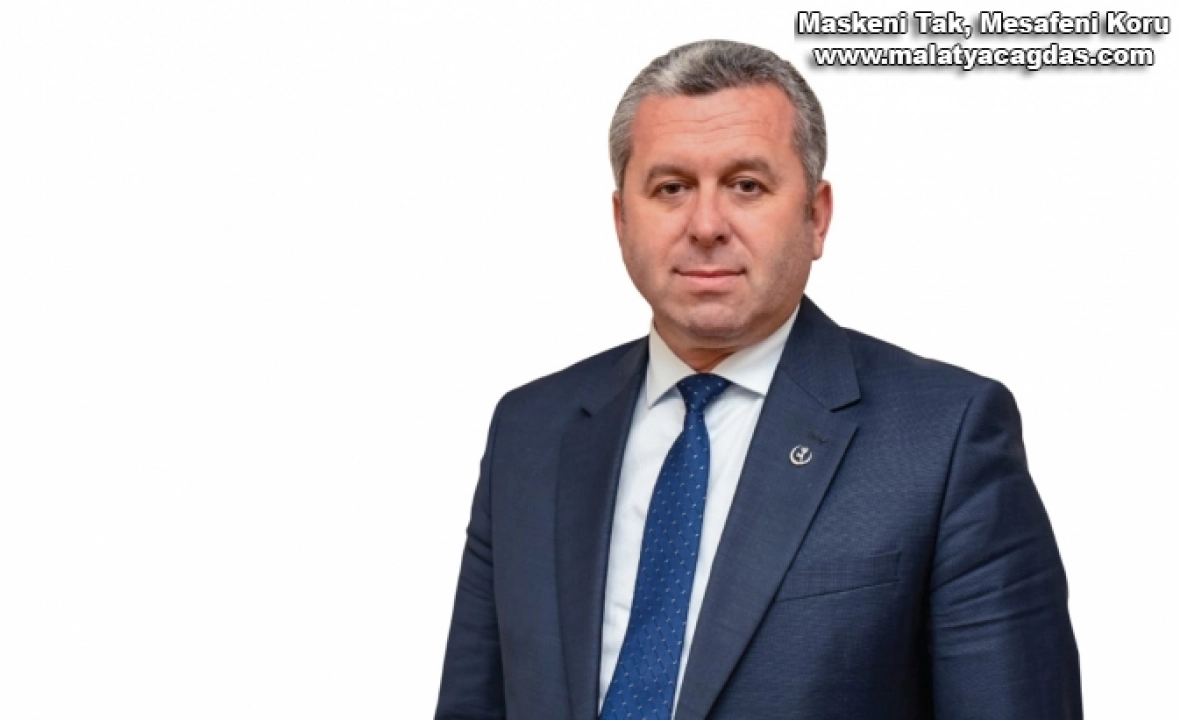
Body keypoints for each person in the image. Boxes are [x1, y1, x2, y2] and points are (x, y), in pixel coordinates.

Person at [433, 40, 1081, 720]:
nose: (706, 225)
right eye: (671, 188)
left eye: (746, 185)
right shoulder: (530, 432)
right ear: (622, 220)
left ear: (816, 216)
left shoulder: (945, 438)